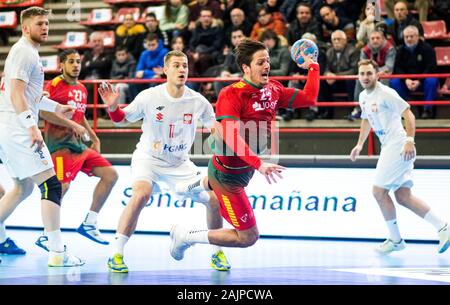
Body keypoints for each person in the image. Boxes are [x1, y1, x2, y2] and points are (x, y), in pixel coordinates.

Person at [169, 39, 319, 261]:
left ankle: (190, 186)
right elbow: (231, 136)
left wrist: (313, 67)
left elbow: (309, 98)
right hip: (227, 176)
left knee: (215, 161)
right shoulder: (232, 93)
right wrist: (259, 164)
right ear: (246, 68)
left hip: (239, 168)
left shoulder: (274, 89)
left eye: (268, 61)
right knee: (248, 236)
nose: (266, 66)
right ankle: (185, 236)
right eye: (260, 62)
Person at [98, 50, 231, 273]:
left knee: (214, 200)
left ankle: (216, 252)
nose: (182, 70)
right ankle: (116, 254)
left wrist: (226, 143)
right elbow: (121, 120)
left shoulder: (198, 101)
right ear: (165, 70)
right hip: (148, 158)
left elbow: (215, 129)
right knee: (141, 194)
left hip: (180, 163)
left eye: (185, 66)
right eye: (177, 65)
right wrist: (113, 107)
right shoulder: (149, 96)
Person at [0, 6, 84, 266]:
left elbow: (27, 96)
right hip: (17, 129)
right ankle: (57, 253)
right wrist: (32, 126)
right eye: (39, 24)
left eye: (47, 23)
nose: (45, 27)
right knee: (51, 185)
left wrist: (55, 107)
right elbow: (15, 94)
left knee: (22, 187)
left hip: (9, 127)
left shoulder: (27, 53)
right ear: (25, 28)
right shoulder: (24, 52)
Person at [349, 59, 450, 255]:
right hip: (390, 146)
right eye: (362, 74)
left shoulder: (387, 93)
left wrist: (409, 140)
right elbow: (366, 120)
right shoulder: (362, 96)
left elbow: (409, 115)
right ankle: (443, 227)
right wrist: (360, 144)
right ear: (358, 76)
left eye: (369, 73)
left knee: (378, 192)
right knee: (403, 197)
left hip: (399, 146)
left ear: (377, 74)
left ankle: (396, 240)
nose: (366, 77)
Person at [34, 49, 119, 252]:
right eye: (71, 61)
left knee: (111, 175)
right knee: (61, 188)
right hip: (59, 147)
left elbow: (80, 116)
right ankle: (47, 235)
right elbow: (43, 112)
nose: (76, 65)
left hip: (79, 146)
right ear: (61, 65)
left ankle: (89, 223)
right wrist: (72, 125)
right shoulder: (53, 85)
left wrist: (94, 136)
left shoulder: (81, 88)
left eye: (78, 61)